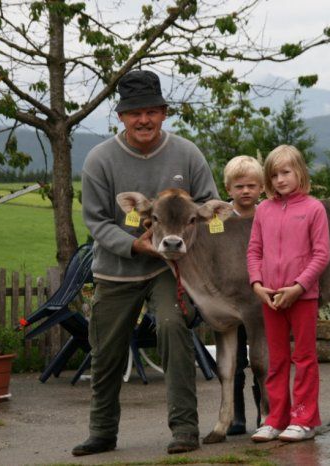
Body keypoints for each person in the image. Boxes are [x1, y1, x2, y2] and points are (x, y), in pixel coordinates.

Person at [74, 69, 219, 457]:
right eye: (135, 112)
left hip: (168, 268)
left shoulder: (187, 153)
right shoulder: (99, 159)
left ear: (164, 113)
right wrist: (134, 244)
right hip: (117, 267)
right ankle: (102, 431)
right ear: (120, 116)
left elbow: (209, 204)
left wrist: (181, 243)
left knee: (173, 328)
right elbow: (96, 221)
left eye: (151, 111)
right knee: (106, 348)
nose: (143, 120)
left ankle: (186, 429)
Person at [246, 145, 330, 443]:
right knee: (277, 359)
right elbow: (254, 250)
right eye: (274, 174)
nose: (280, 179)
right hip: (270, 297)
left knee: (305, 357)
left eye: (286, 172)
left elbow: (321, 255)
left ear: (300, 173)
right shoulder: (263, 210)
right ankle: (276, 419)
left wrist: (298, 287)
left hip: (302, 297)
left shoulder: (313, 208)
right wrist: (257, 284)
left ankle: (305, 419)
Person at [222, 155, 264, 435]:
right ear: (228, 190)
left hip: (260, 295)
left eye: (251, 185)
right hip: (229, 297)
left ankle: (265, 412)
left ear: (261, 188)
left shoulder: (268, 213)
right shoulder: (220, 216)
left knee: (263, 356)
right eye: (239, 186)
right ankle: (237, 416)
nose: (245, 191)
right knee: (235, 359)